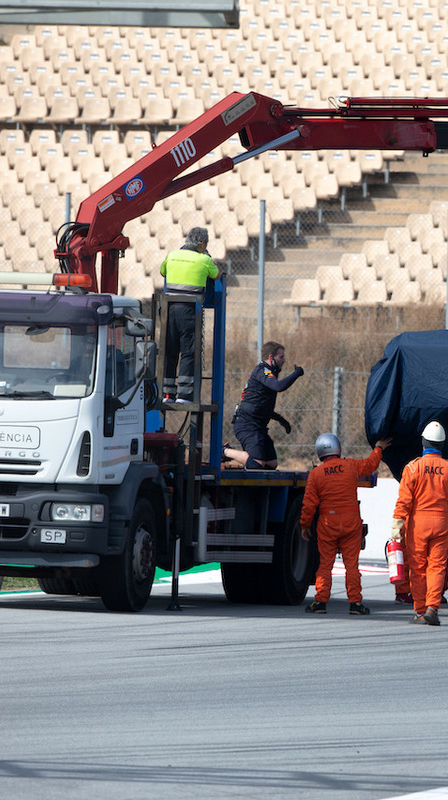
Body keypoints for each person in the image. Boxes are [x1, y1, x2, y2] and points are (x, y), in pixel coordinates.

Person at [391, 421, 448, 627]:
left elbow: (404, 500)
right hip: (442, 523)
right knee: (437, 567)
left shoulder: (413, 467)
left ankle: (420, 611)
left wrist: (397, 523)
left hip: (418, 524)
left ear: (423, 442)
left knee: (418, 568)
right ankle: (432, 609)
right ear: (442, 444)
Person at [300, 433, 391, 615]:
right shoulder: (350, 466)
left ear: (320, 452)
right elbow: (370, 464)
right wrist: (379, 448)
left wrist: (305, 526)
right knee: (352, 565)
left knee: (325, 564)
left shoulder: (316, 474)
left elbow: (309, 504)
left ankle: (320, 602)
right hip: (351, 523)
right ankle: (355, 603)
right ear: (337, 449)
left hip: (328, 524)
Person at [159, 226, 219, 404]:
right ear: (202, 243)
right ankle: (184, 396)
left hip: (168, 310)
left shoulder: (171, 255)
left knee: (169, 351)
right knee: (188, 352)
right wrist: (207, 256)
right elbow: (216, 276)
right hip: (189, 310)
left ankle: (167, 394)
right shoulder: (204, 259)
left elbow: (163, 272)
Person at [224, 341, 304, 470]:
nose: (284, 360)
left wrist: (281, 420)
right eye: (281, 357)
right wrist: (297, 373)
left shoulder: (269, 373)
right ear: (271, 357)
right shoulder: (262, 371)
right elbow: (279, 386)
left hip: (258, 427)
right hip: (247, 425)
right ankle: (224, 451)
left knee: (271, 464)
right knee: (257, 463)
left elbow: (260, 407)